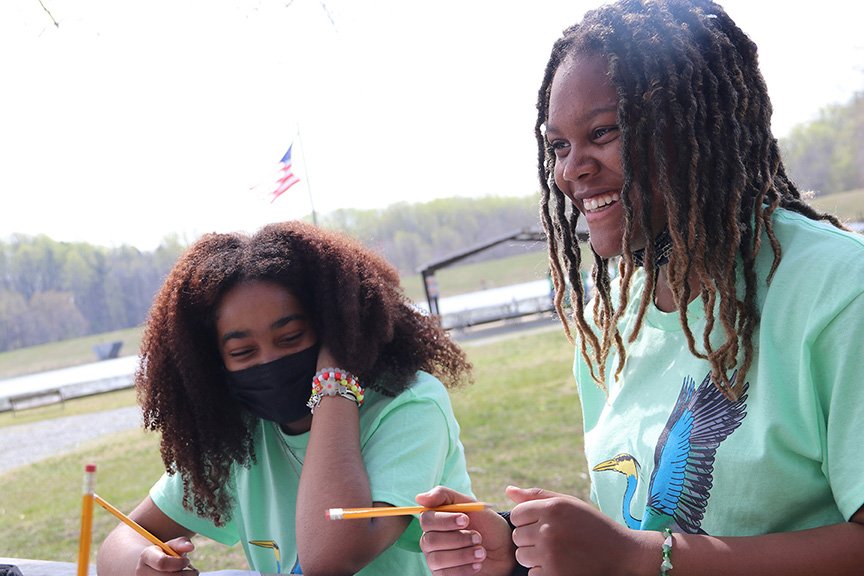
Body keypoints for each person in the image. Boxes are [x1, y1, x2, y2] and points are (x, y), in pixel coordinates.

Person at [416, 0, 864, 574]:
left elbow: (644, 551)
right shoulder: (613, 320)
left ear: (696, 125)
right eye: (558, 145)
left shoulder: (837, 289)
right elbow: (643, 530)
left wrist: (641, 557)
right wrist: (514, 547)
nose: (571, 168)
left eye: (603, 132)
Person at [97, 220, 474, 575]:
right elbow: (124, 538)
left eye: (290, 338)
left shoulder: (408, 404)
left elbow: (329, 557)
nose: (270, 361)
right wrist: (141, 563)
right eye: (243, 352)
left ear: (334, 324)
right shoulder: (239, 431)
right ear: (213, 364)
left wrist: (334, 383)